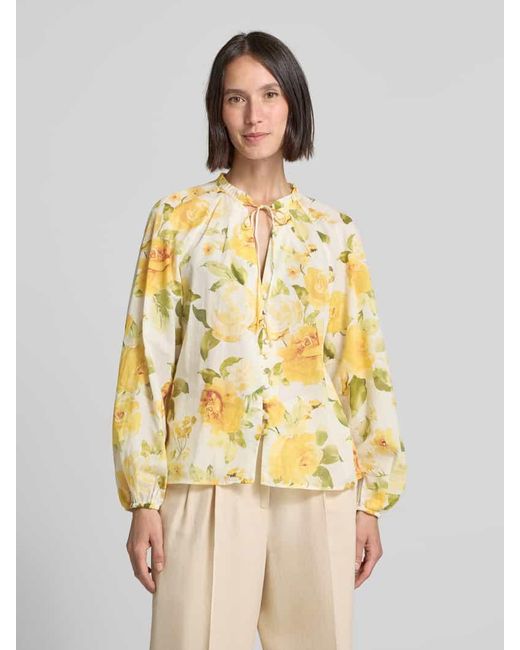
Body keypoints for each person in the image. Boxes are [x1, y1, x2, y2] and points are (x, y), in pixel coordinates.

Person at [111, 30, 408, 650]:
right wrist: (143, 498)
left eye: (270, 94)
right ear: (218, 111)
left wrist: (371, 501)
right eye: (236, 98)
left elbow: (361, 364)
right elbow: (145, 361)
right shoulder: (177, 220)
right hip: (204, 478)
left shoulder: (334, 233)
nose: (255, 115)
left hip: (318, 484)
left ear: (293, 103)